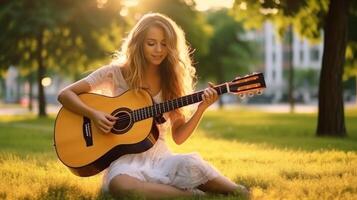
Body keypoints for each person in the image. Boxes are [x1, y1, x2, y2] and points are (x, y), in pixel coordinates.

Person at [57, 12, 249, 199]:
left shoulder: (170, 81)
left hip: (160, 156)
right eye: (151, 43)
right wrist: (94, 115)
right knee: (120, 185)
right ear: (138, 43)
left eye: (164, 44)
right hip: (125, 161)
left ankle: (239, 191)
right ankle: (193, 195)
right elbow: (66, 94)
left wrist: (201, 108)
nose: (158, 49)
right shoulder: (114, 73)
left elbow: (179, 137)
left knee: (191, 165)